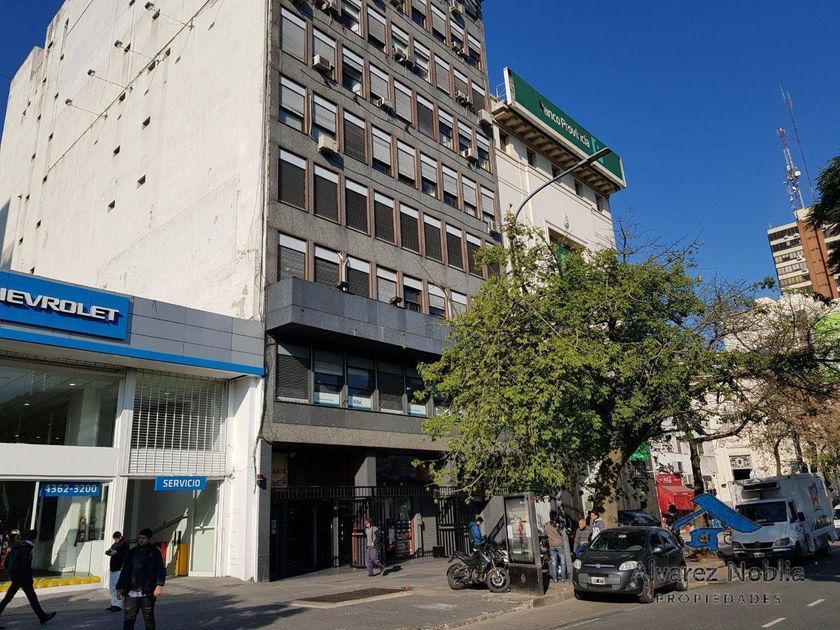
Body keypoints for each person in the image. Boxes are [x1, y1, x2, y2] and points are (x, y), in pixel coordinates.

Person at [0, 529, 57, 627]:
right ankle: (42, 617)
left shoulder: (19, 545)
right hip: (22, 577)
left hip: (16, 576)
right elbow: (24, 564)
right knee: (31, 597)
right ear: (34, 538)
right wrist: (29, 577)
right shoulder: (26, 547)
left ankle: (42, 617)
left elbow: (10, 561)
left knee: (9, 598)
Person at [116, 528, 165, 630]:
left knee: (148, 618)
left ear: (149, 539)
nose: (141, 540)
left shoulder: (155, 552)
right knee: (128, 619)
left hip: (147, 592)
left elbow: (160, 569)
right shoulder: (132, 552)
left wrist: (159, 585)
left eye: (144, 538)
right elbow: (125, 571)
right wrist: (119, 587)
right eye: (139, 538)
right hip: (131, 591)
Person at [105, 531, 130, 613]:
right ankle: (113, 603)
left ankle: (118, 604)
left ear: (120, 537)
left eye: (116, 539)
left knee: (118, 587)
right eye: (114, 539)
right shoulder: (115, 544)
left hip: (119, 567)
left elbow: (124, 554)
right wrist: (109, 552)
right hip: (113, 567)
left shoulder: (125, 544)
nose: (115, 540)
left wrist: (115, 553)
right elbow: (111, 550)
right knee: (112, 587)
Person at [544, 512, 569, 583]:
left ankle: (554, 578)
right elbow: (562, 532)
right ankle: (563, 578)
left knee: (554, 562)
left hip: (551, 545)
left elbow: (545, 534)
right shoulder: (556, 524)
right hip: (559, 544)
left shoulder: (546, 525)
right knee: (562, 561)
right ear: (555, 517)